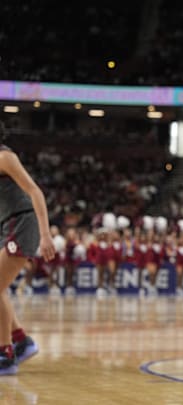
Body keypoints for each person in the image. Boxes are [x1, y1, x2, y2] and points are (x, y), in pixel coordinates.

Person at [0, 122, 56, 374]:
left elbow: (35, 191)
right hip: (9, 224)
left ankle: (6, 354)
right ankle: (21, 341)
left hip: (23, 222)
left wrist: (46, 235)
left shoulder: (4, 156)